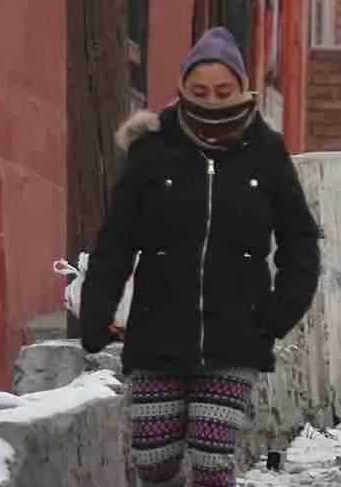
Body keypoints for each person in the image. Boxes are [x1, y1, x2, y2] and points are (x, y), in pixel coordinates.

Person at [80, 26, 322, 487]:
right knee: (154, 460)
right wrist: (96, 315)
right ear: (182, 90)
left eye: (223, 90)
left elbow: (301, 242)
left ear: (242, 88)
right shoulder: (152, 150)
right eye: (200, 91)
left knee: (212, 463)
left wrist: (274, 316)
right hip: (157, 335)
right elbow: (115, 242)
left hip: (236, 339)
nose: (212, 99)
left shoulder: (266, 152)